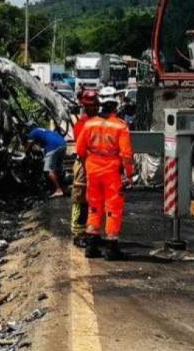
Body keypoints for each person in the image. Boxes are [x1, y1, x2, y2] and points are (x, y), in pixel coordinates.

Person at [76, 86, 133, 260]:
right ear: (116, 106)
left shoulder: (89, 123)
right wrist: (129, 175)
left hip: (92, 170)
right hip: (111, 172)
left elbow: (79, 149)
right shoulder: (120, 126)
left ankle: (91, 246)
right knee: (113, 208)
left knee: (94, 206)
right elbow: (126, 155)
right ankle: (111, 248)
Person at [70, 89, 101, 245]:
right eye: (91, 106)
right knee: (80, 198)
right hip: (84, 164)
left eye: (96, 105)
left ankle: (91, 231)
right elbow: (83, 149)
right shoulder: (81, 124)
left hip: (96, 165)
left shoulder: (99, 122)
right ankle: (78, 234)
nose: (94, 108)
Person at [27, 125, 67, 198]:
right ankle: (63, 187)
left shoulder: (32, 133)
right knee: (57, 168)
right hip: (63, 144)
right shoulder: (44, 130)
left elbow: (29, 145)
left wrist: (26, 152)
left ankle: (58, 190)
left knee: (48, 170)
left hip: (53, 147)